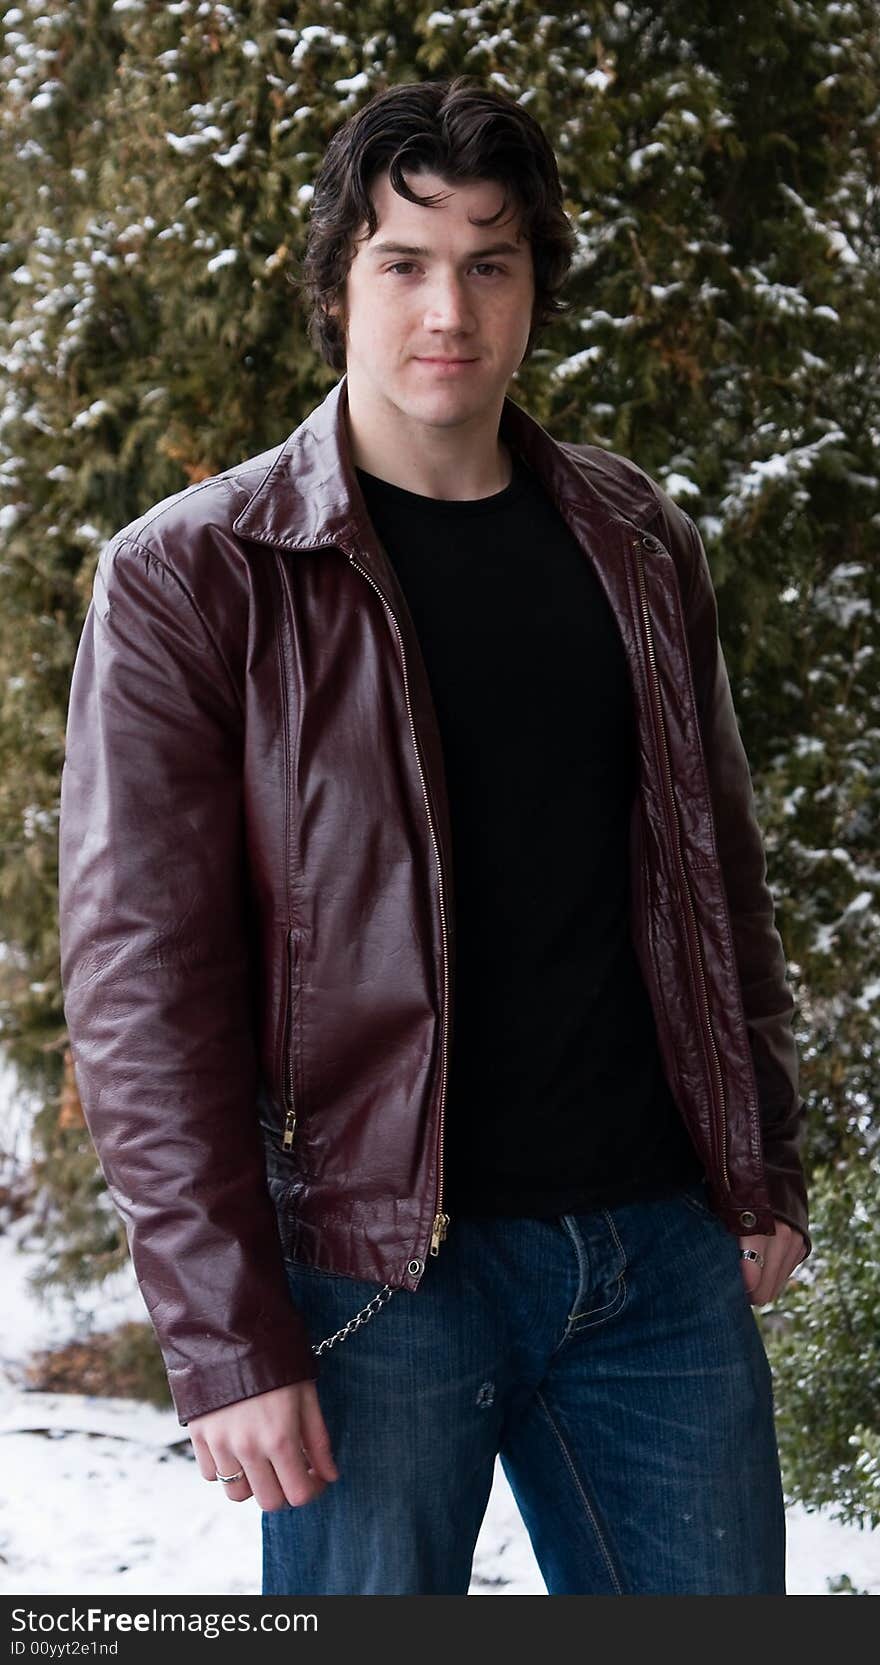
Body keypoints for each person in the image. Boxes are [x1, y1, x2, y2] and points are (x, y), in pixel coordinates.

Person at [58, 76, 810, 1596]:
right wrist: (222, 1332)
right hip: (375, 1274)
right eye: (404, 261)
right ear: (338, 280)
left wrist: (761, 1157)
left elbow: (713, 871)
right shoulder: (197, 579)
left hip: (656, 1256)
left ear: (537, 287)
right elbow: (142, 986)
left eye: (490, 260)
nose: (446, 307)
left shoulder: (636, 536)